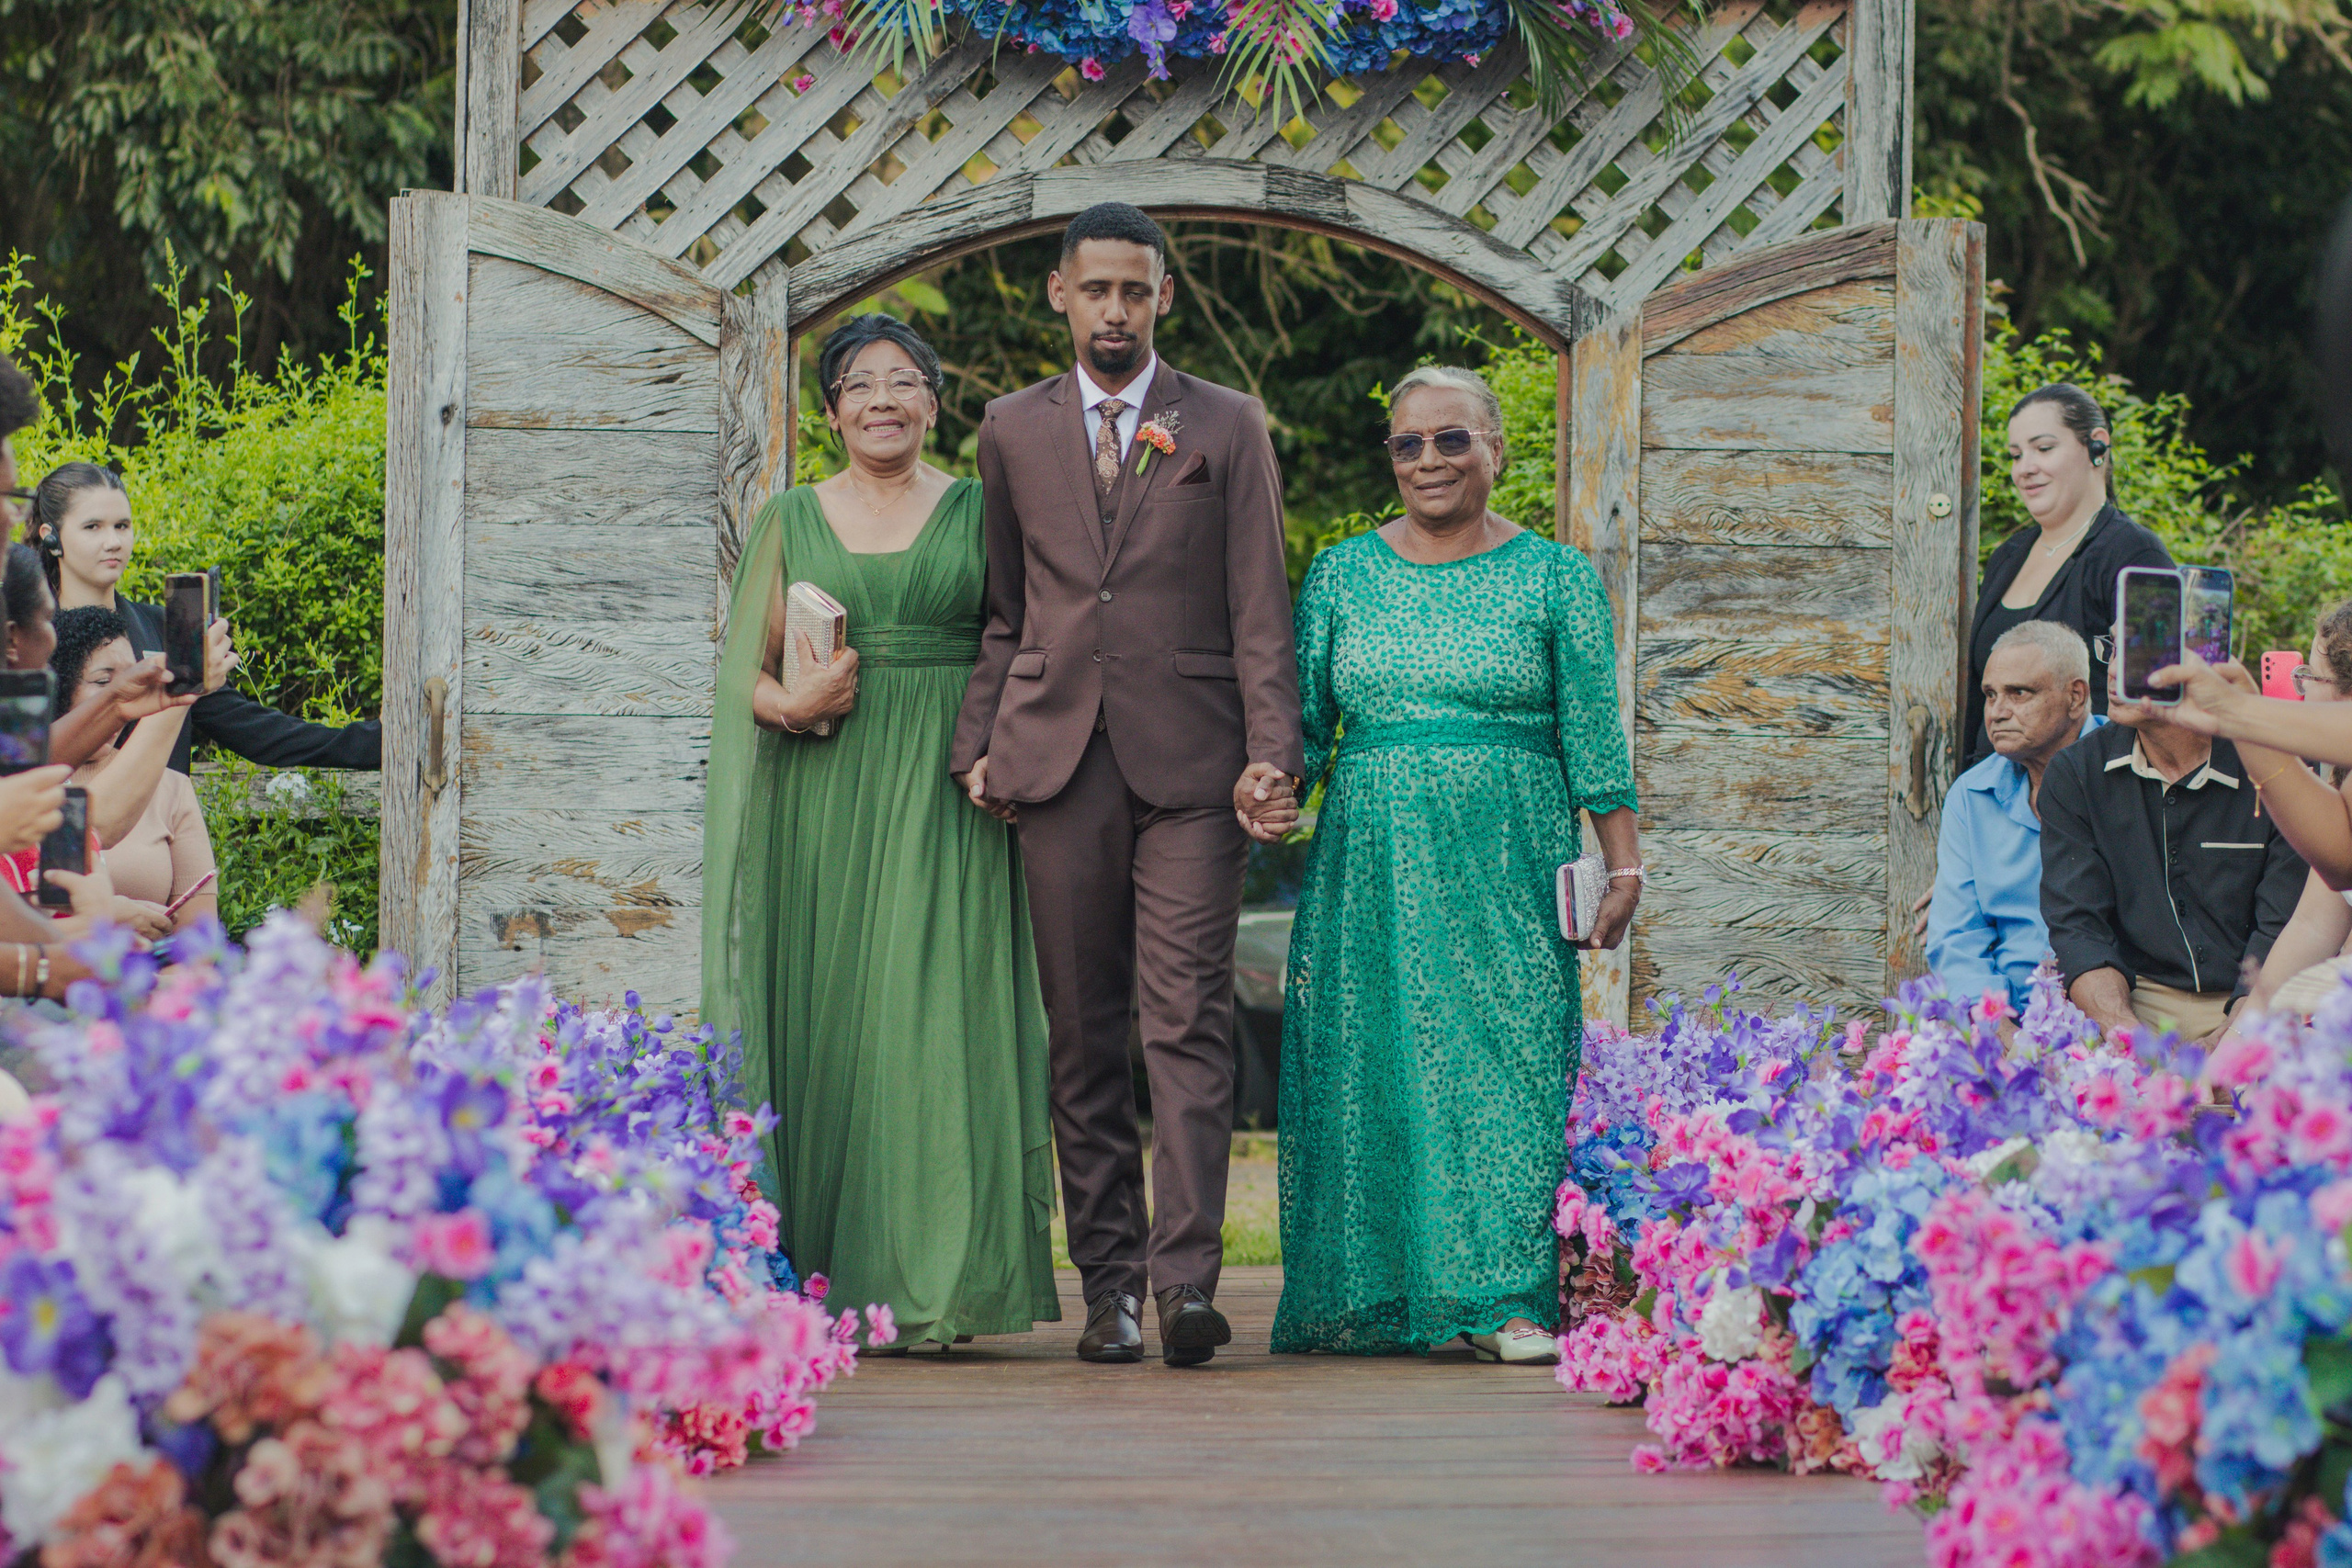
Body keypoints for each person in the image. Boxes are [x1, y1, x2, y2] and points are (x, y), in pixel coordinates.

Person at [951, 202, 1305, 1368]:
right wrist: (976, 745)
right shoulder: (1008, 429)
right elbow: (1008, 611)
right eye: (1096, 290)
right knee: (1084, 1038)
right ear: (1058, 293)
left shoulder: (1228, 423)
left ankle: (1186, 1287)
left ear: (1165, 296)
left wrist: (1274, 752)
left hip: (1195, 768)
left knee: (1186, 1021)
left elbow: (1262, 603)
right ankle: (1105, 1287)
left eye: (1136, 292)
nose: (1116, 310)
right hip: (1055, 765)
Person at [1268, 367, 1639, 1364]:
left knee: (1510, 1058)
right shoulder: (1341, 573)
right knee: (1376, 1059)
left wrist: (1625, 869)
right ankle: (1384, 1292)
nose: (1428, 460)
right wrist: (1268, 791)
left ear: (1495, 450)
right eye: (1407, 444)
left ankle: (1506, 1300)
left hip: (1508, 856)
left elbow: (1593, 735)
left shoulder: (1556, 576)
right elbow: (1300, 724)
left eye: (1451, 440)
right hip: (1373, 860)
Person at [703, 313, 1057, 1353]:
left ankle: (943, 1280)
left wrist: (1008, 752)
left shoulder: (984, 510)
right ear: (830, 412)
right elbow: (743, 676)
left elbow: (1031, 644)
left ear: (935, 404)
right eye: (860, 385)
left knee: (936, 1016)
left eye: (904, 382)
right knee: (843, 1010)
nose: (883, 401)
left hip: (954, 783)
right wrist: (794, 702)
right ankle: (832, 1274)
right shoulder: (791, 518)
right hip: (828, 785)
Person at [29, 461, 380, 773]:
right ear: (53, 538)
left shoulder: (167, 629)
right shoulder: (29, 640)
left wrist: (378, 742)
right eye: (93, 527)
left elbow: (254, 731)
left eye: (122, 526)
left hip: (162, 828)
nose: (113, 542)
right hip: (59, 832)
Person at [2038, 680, 2304, 1043]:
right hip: (2135, 996)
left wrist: (2237, 1038)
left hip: (2258, 994)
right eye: (2114, 648)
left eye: (2136, 652)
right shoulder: (2076, 773)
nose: (2115, 672)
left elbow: (2286, 929)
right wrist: (2130, 1037)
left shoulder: (2269, 766)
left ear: (2197, 664)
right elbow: (2079, 929)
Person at [1963, 384, 2174, 767]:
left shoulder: (2136, 554)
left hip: (2085, 800)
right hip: (1990, 798)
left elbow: (2156, 698)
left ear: (2097, 446)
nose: (2024, 468)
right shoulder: (2007, 557)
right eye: (2015, 455)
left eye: (2043, 449)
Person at [1927, 621, 2105, 1013]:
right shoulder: (1972, 796)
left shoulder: (2127, 771)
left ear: (2076, 697)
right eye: (1990, 695)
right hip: (2008, 1013)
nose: (1997, 713)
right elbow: (1957, 939)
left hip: (2113, 1012)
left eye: (2019, 693)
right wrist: (1998, 1031)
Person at [47, 607, 219, 932]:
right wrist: (111, 919)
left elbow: (201, 942)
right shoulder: (27, 786)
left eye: (134, 676)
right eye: (103, 682)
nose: (128, 691)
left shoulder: (170, 788)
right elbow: (94, 826)